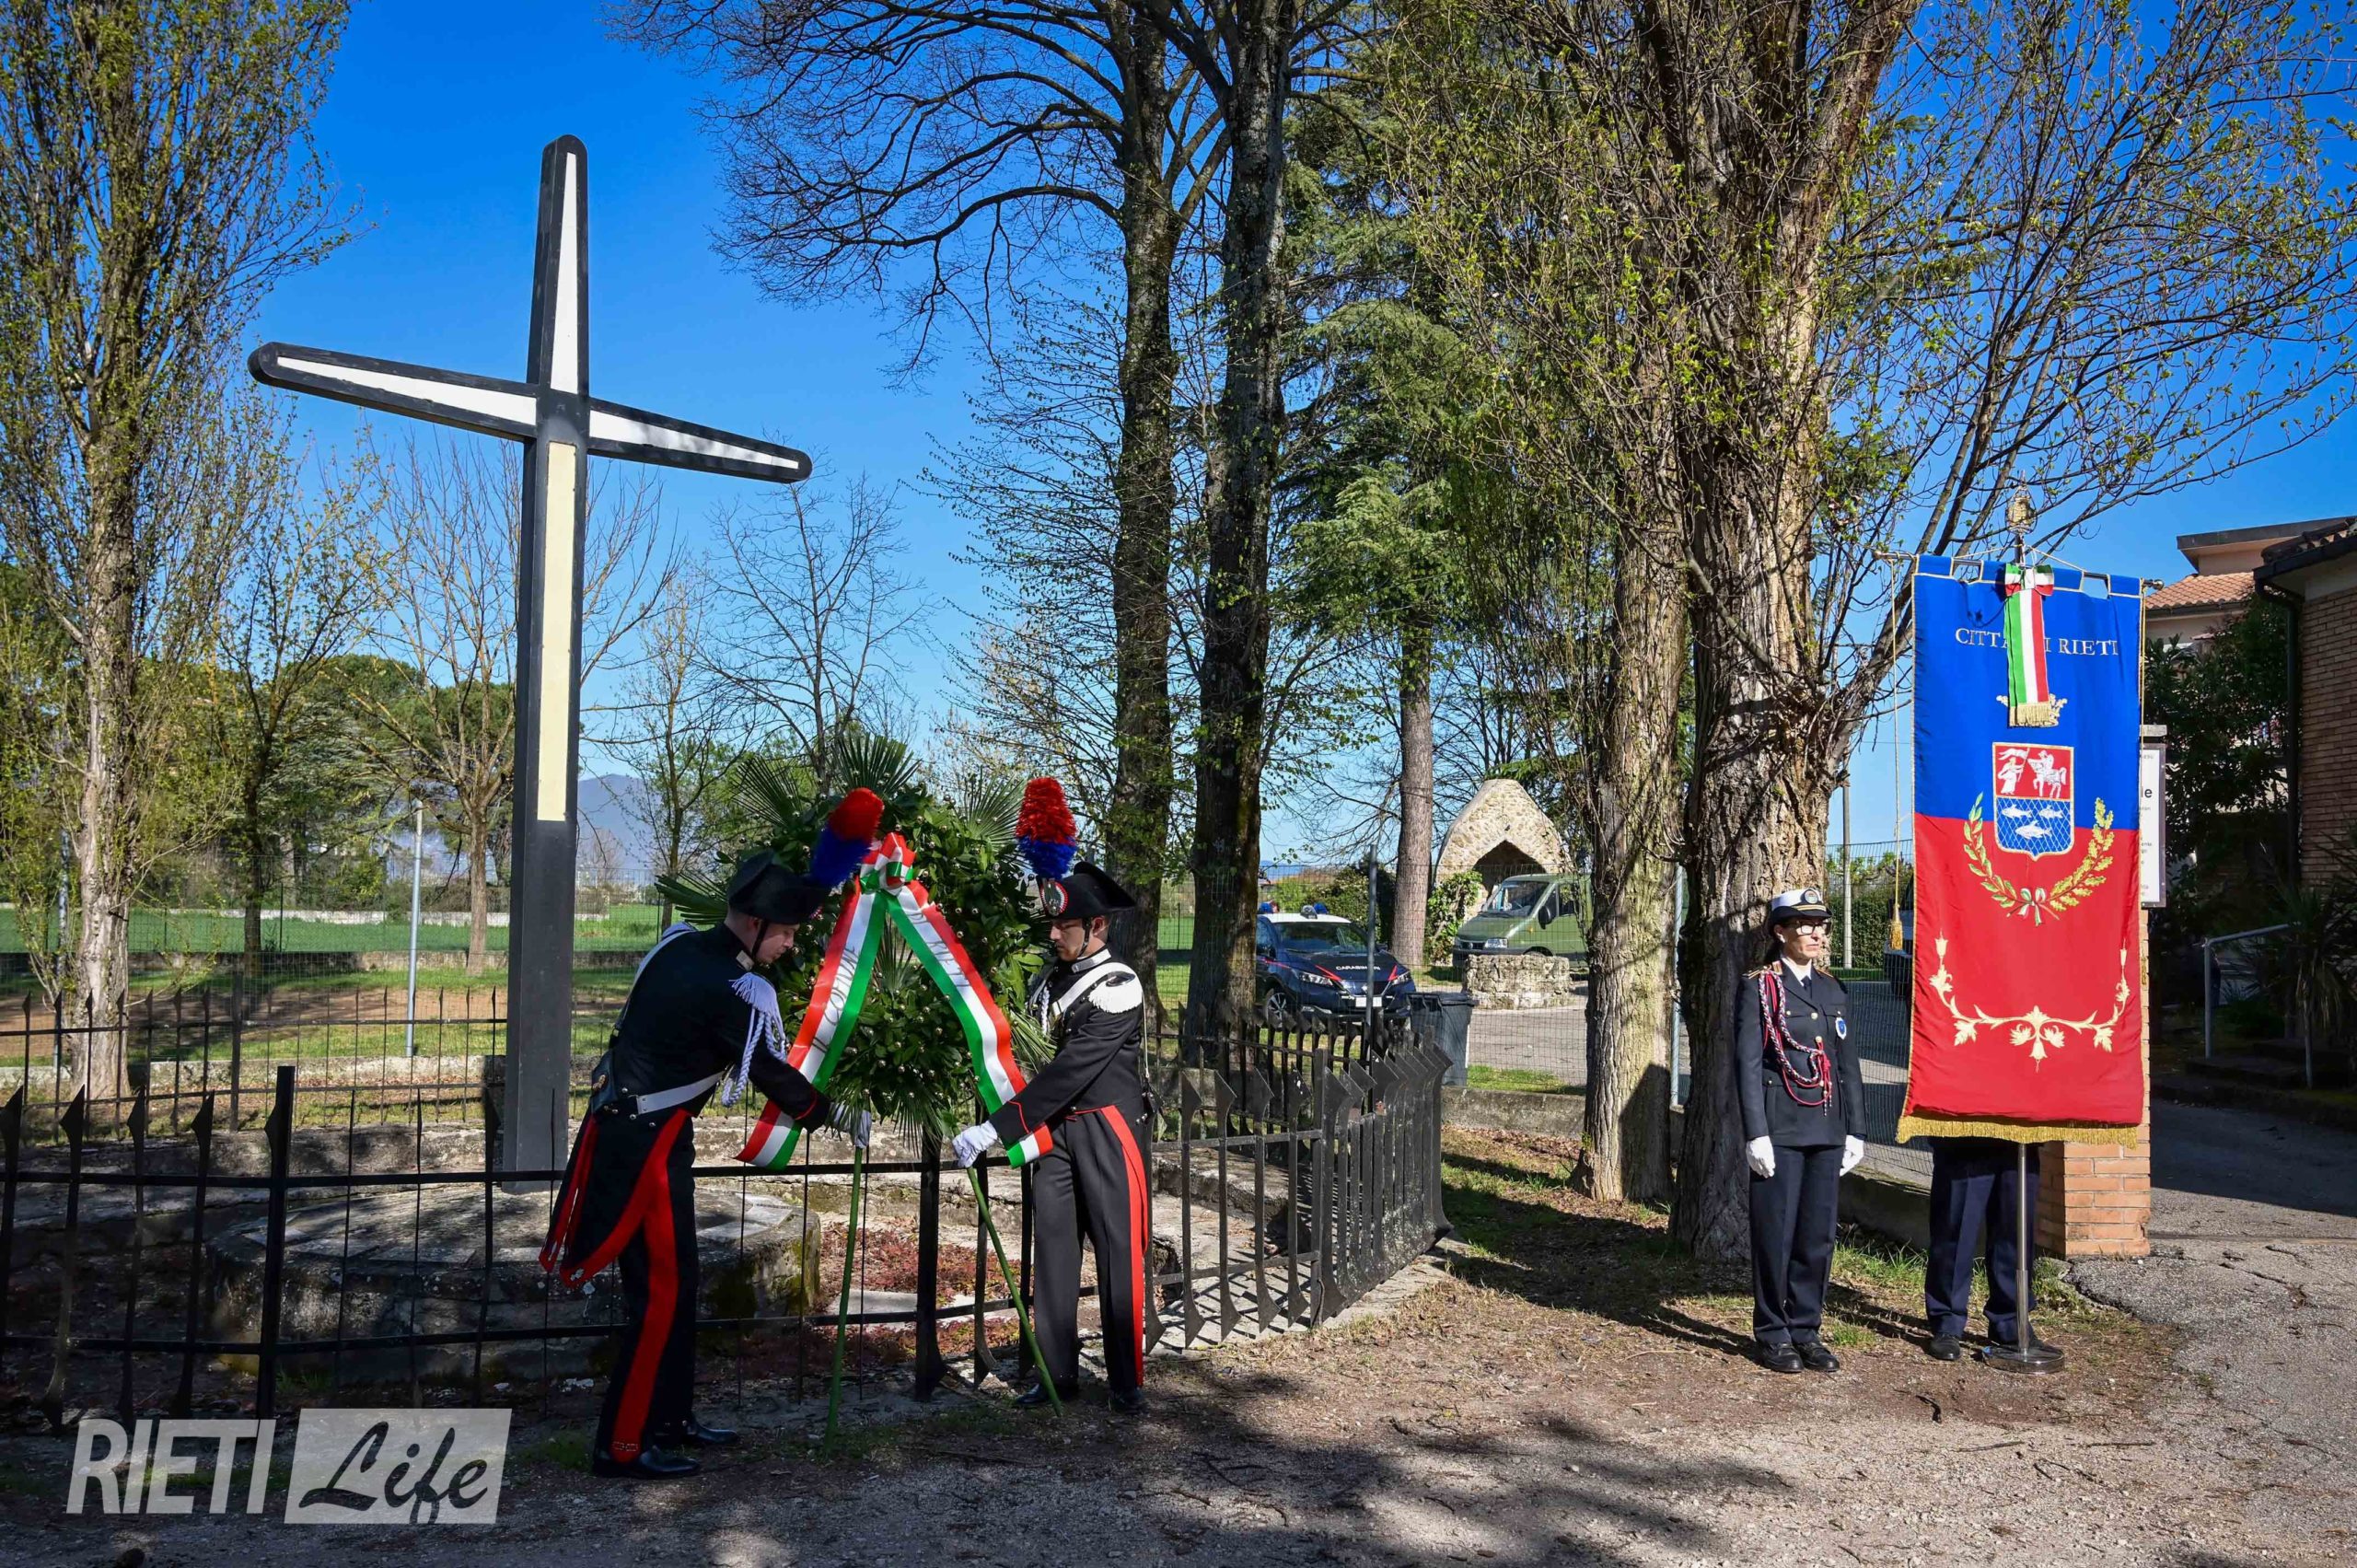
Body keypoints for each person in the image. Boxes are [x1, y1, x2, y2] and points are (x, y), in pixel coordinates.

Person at [541, 825, 877, 1480]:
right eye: (785, 932)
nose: (789, 944)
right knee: (660, 1291)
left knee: (681, 1282)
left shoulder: (680, 946)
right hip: (647, 1146)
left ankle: (671, 1419)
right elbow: (771, 1074)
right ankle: (623, 1444)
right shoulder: (731, 987)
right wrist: (834, 1114)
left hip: (650, 1133)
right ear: (754, 923)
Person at [953, 861, 1154, 1414]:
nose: (1053, 934)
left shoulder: (1118, 985)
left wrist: (997, 1127)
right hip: (1054, 1132)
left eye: (1065, 926)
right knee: (1055, 1251)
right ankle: (1056, 1372)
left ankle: (1125, 1380)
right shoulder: (1047, 979)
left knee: (1117, 1252)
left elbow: (1070, 1070)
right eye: (1053, 924)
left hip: (1107, 1129)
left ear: (1097, 927)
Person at [1736, 888, 1867, 1375]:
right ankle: (1773, 1333)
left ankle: (1806, 1330)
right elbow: (1748, 1064)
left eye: (1820, 926)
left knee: (1816, 1236)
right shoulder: (1759, 987)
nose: (1816, 934)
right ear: (1780, 932)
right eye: (1804, 925)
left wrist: (1855, 1130)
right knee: (1776, 1233)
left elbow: (1847, 1065)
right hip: (1782, 1129)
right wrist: (1756, 1132)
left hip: (1827, 1127)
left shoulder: (1832, 989)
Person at [1922, 1138, 2047, 1360]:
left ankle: (2011, 1322)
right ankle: (1947, 1323)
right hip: (1964, 1139)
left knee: (2015, 1234)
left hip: (2019, 1139)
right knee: (1955, 1235)